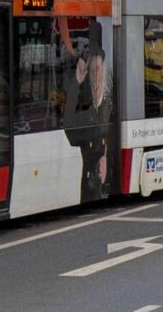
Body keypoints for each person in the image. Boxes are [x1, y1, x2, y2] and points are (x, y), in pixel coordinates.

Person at [64, 20, 110, 202]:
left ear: (104, 72)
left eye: (98, 70)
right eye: (92, 71)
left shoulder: (111, 107)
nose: (95, 76)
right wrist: (76, 83)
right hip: (87, 191)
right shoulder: (85, 113)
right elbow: (68, 125)